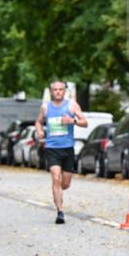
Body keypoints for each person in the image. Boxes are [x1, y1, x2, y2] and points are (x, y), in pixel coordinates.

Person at [35, 80, 87, 225]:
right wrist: (39, 131)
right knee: (56, 178)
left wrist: (72, 121)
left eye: (60, 89)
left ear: (64, 91)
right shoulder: (46, 107)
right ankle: (60, 211)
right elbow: (38, 121)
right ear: (51, 92)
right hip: (52, 148)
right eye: (55, 89)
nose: (58, 92)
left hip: (67, 148)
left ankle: (59, 192)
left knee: (65, 183)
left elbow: (85, 122)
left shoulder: (71, 105)